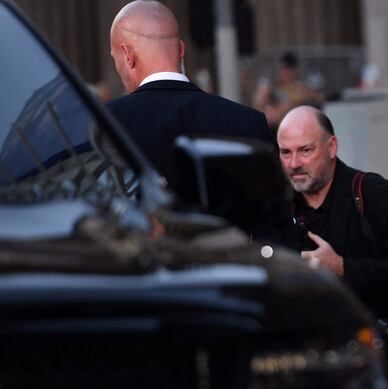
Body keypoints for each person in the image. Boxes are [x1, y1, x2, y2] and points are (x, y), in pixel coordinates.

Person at [276, 106, 388, 389]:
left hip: (373, 371)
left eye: (305, 150)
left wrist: (342, 267)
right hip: (304, 377)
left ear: (331, 147)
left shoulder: (375, 194)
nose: (294, 163)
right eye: (285, 152)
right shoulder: (275, 208)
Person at [106, 1, 292, 244]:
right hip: (232, 274)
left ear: (128, 55)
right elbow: (275, 229)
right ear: (181, 50)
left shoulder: (105, 123)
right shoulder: (249, 122)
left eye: (116, 58)